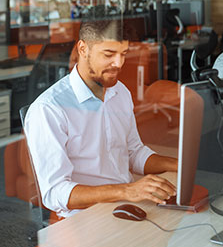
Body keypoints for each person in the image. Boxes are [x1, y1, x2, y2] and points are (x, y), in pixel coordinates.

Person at [23, 20, 177, 218]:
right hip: (83, 216)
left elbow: (134, 153)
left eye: (123, 54)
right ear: (83, 48)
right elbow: (55, 192)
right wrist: (127, 190)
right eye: (109, 54)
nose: (119, 64)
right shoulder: (49, 109)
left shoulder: (120, 92)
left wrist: (180, 164)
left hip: (127, 204)